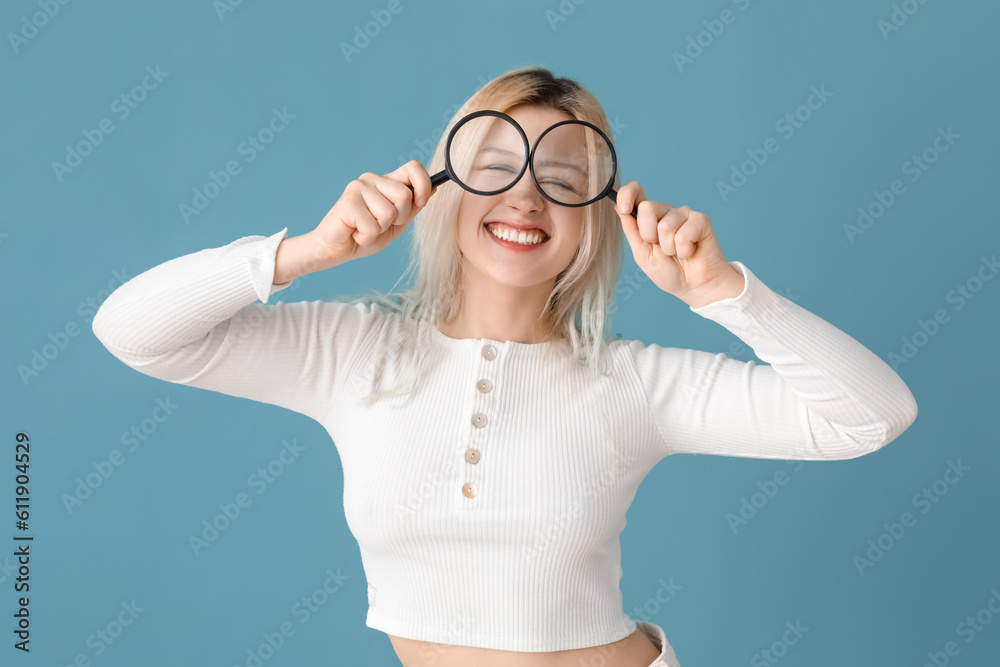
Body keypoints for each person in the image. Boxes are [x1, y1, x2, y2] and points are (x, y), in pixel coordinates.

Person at [92, 67, 918, 667]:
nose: (525, 197)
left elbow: (871, 416)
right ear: (449, 188)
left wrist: (725, 293)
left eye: (561, 181)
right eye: (496, 169)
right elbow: (134, 330)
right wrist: (303, 253)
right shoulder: (351, 351)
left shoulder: (634, 383)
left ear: (593, 221)